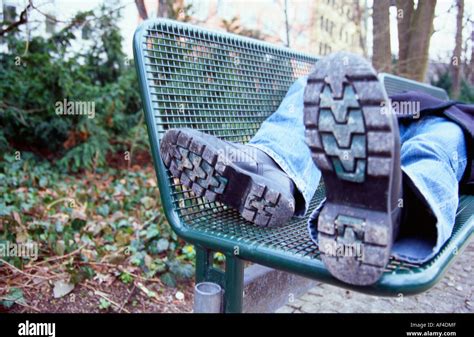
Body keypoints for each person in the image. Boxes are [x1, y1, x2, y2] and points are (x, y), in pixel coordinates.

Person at [159, 52, 473, 286]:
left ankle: (392, 207)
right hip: (383, 115)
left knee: (432, 149)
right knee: (315, 87)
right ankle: (270, 164)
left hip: (444, 125)